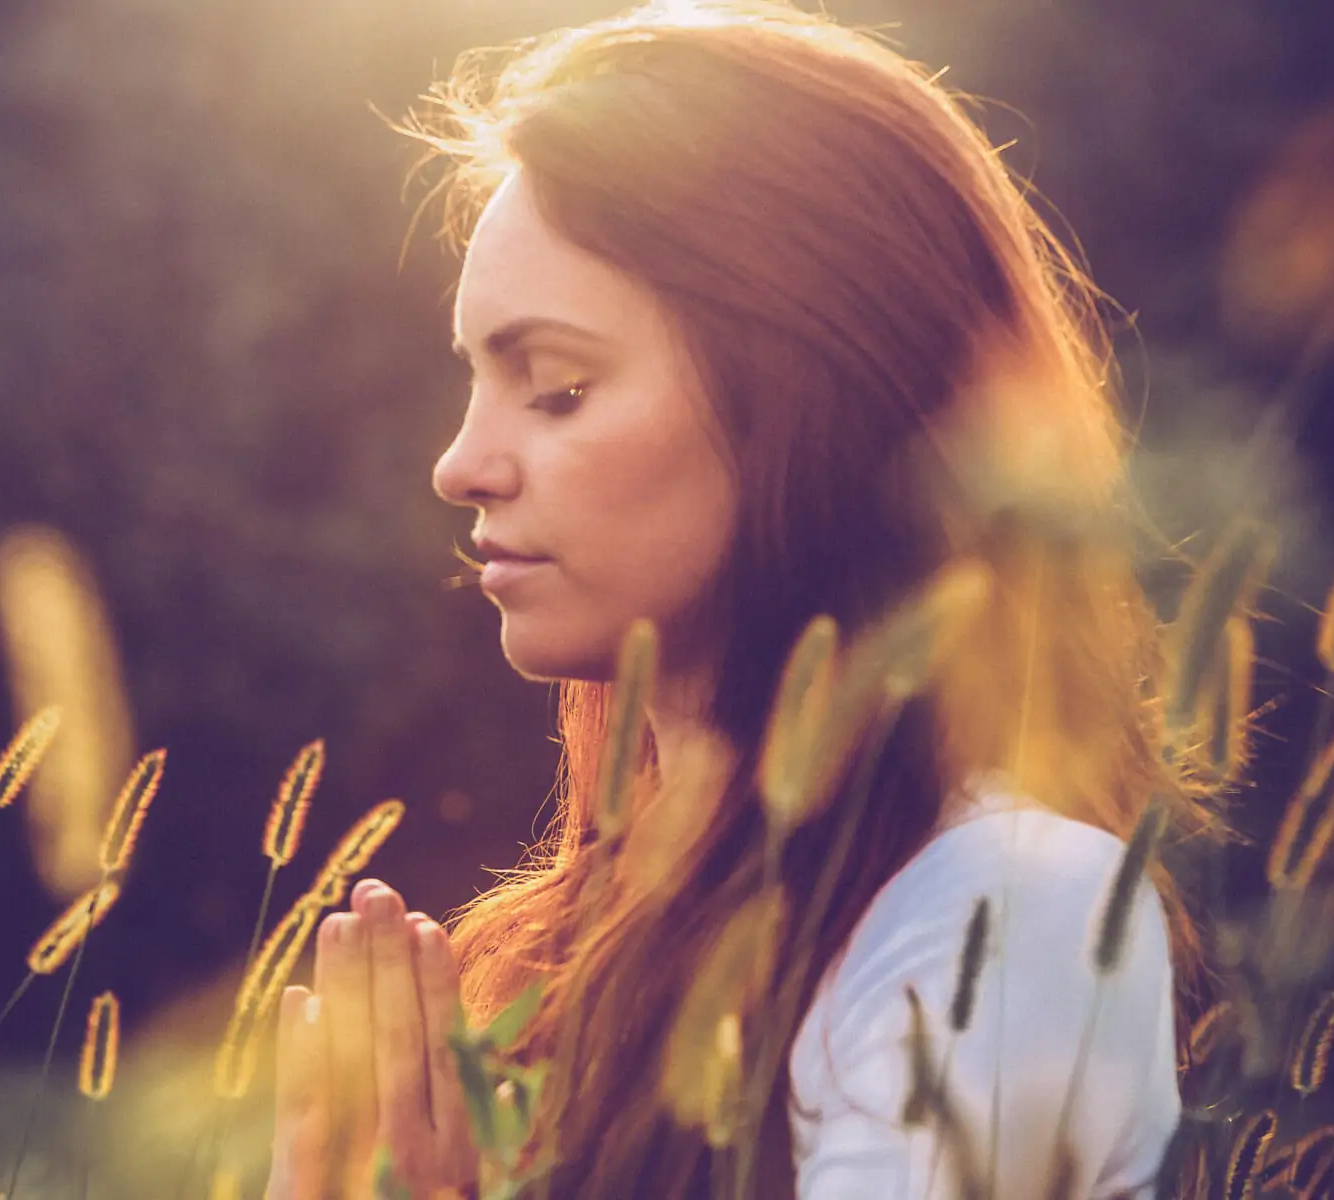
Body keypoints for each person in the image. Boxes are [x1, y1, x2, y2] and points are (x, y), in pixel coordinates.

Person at [267, 1, 1227, 1196]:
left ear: (803, 394)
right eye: (477, 380)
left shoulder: (1004, 919)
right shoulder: (591, 967)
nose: (459, 464)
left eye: (556, 386)